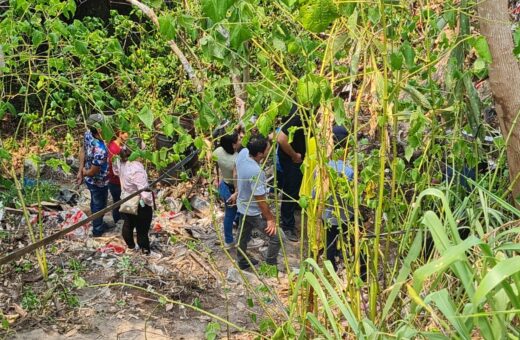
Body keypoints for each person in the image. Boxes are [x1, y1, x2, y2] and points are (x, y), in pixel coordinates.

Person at [322, 126, 366, 279]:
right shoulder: (348, 171)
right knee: (357, 242)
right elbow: (354, 196)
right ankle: (363, 273)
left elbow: (316, 194)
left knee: (330, 245)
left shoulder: (320, 168)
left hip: (328, 215)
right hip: (347, 214)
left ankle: (330, 275)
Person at [235, 135, 280, 270]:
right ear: (260, 154)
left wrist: (237, 191)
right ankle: (270, 265)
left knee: (243, 235)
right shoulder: (256, 172)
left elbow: (238, 173)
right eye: (267, 149)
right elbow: (260, 199)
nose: (269, 150)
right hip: (253, 211)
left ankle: (242, 261)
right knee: (277, 238)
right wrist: (270, 219)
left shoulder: (243, 153)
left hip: (242, 204)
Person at [113, 139, 154, 254]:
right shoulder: (136, 167)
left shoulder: (120, 161)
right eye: (143, 149)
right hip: (139, 203)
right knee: (142, 230)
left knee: (128, 224)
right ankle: (145, 250)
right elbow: (144, 191)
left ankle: (131, 246)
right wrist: (149, 203)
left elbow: (116, 172)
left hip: (125, 199)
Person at [77, 113, 110, 237]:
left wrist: (80, 170)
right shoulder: (101, 150)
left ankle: (98, 222)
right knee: (99, 204)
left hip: (90, 179)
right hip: (99, 181)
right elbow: (92, 171)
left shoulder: (88, 134)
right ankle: (97, 229)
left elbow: (83, 150)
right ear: (100, 129)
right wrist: (84, 172)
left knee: (96, 202)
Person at [277, 105, 306, 242]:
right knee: (291, 188)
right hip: (292, 159)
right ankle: (287, 225)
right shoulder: (298, 115)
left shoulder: (295, 106)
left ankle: (294, 207)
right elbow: (281, 138)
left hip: (297, 157)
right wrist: (294, 155)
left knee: (295, 186)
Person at [214, 132, 240, 248]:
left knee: (230, 212)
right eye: (238, 140)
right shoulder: (236, 159)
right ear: (233, 145)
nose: (240, 141)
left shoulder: (218, 151)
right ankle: (229, 241)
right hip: (232, 189)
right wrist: (236, 191)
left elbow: (212, 159)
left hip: (223, 185)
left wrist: (217, 176)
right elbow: (235, 176)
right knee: (229, 215)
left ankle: (236, 222)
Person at [107, 130, 129, 225]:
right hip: (116, 181)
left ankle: (119, 222)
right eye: (126, 134)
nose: (128, 136)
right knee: (119, 203)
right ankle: (119, 223)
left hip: (114, 180)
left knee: (118, 202)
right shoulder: (115, 149)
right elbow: (115, 168)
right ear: (120, 134)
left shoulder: (114, 145)